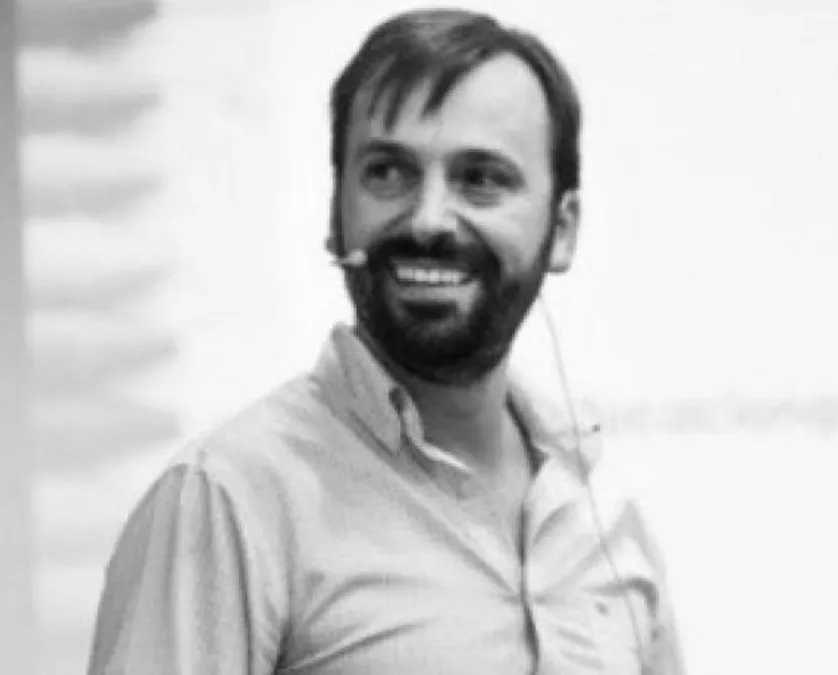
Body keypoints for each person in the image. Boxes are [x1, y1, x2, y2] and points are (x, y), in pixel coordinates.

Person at [86, 8, 684, 675]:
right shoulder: (229, 499)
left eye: (481, 178)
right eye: (388, 172)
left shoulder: (604, 519)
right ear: (335, 211)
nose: (428, 220)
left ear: (563, 228)